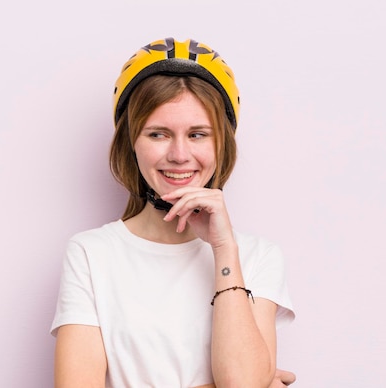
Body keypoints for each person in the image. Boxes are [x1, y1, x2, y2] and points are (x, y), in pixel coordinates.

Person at [50, 37, 296, 387]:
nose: (179, 155)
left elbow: (241, 383)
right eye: (158, 134)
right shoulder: (92, 254)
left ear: (221, 143)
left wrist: (224, 251)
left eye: (197, 134)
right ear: (131, 143)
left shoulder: (258, 257)